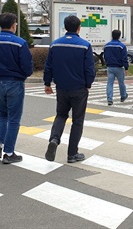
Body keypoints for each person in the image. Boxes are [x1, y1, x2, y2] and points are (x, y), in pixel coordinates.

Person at [43, 15, 95, 163]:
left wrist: (47, 83)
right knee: (77, 121)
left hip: (61, 87)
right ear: (79, 28)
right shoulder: (84, 45)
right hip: (79, 88)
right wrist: (88, 84)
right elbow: (89, 69)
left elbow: (49, 66)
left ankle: (54, 139)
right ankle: (72, 154)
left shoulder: (55, 44)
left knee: (60, 115)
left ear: (65, 27)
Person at [0, 13, 33, 164]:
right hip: (15, 82)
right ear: (13, 25)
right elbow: (27, 65)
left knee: (2, 113)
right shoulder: (20, 43)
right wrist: (23, 75)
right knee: (14, 118)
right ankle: (9, 152)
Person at [104, 29, 129, 106]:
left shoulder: (107, 45)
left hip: (110, 66)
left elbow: (105, 56)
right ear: (119, 36)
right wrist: (126, 67)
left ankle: (109, 99)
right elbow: (124, 58)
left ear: (112, 35)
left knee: (110, 83)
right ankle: (123, 96)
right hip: (119, 67)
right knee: (121, 82)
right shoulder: (121, 46)